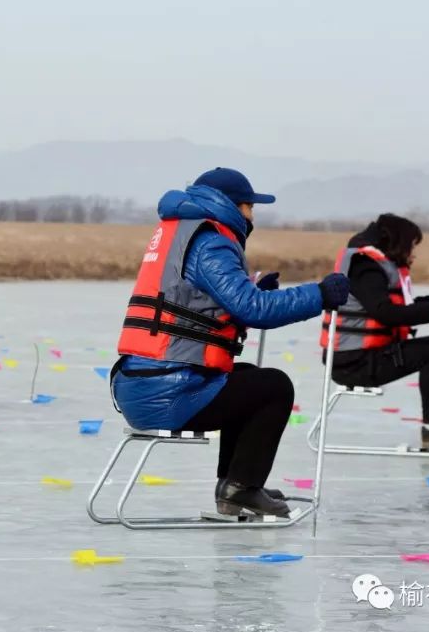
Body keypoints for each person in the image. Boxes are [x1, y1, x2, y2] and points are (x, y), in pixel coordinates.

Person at [110, 168, 350, 517]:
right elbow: (253, 310)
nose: (253, 215)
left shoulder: (180, 231)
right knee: (273, 386)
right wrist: (320, 294)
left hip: (140, 385)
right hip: (168, 394)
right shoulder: (212, 241)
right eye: (250, 207)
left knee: (246, 379)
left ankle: (238, 485)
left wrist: (251, 285)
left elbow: (195, 299)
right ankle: (239, 489)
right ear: (233, 206)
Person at [322, 213, 429, 449]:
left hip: (365, 357)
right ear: (398, 243)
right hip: (354, 364)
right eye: (412, 246)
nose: (413, 254)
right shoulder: (365, 267)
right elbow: (385, 312)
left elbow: (401, 307)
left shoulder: (376, 265)